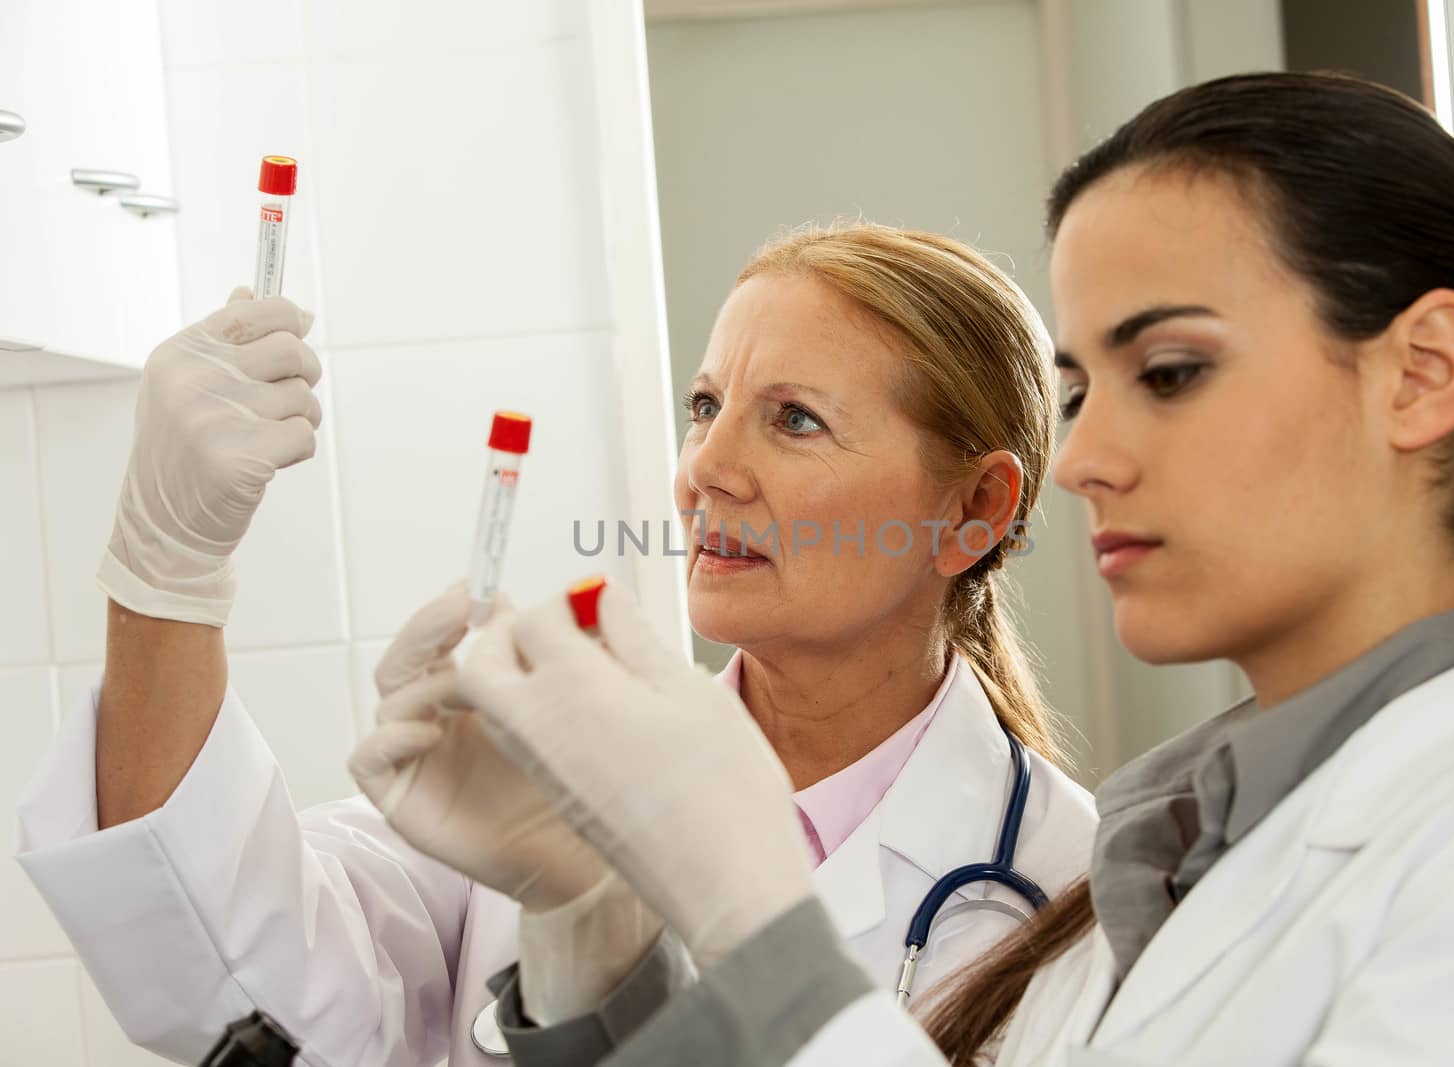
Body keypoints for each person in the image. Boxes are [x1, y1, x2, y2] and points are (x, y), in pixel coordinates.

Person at [447, 72, 1454, 1066]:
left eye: (1171, 370)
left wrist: (753, 918)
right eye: (1085, 390)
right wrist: (588, 936)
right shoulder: (1160, 876)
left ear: (1419, 372)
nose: (1083, 460)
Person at [15, 225, 1100, 1064]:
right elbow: (223, 976)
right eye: (705, 404)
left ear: (970, 509)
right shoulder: (554, 782)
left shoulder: (1071, 889)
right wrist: (166, 574)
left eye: (794, 418)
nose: (704, 468)